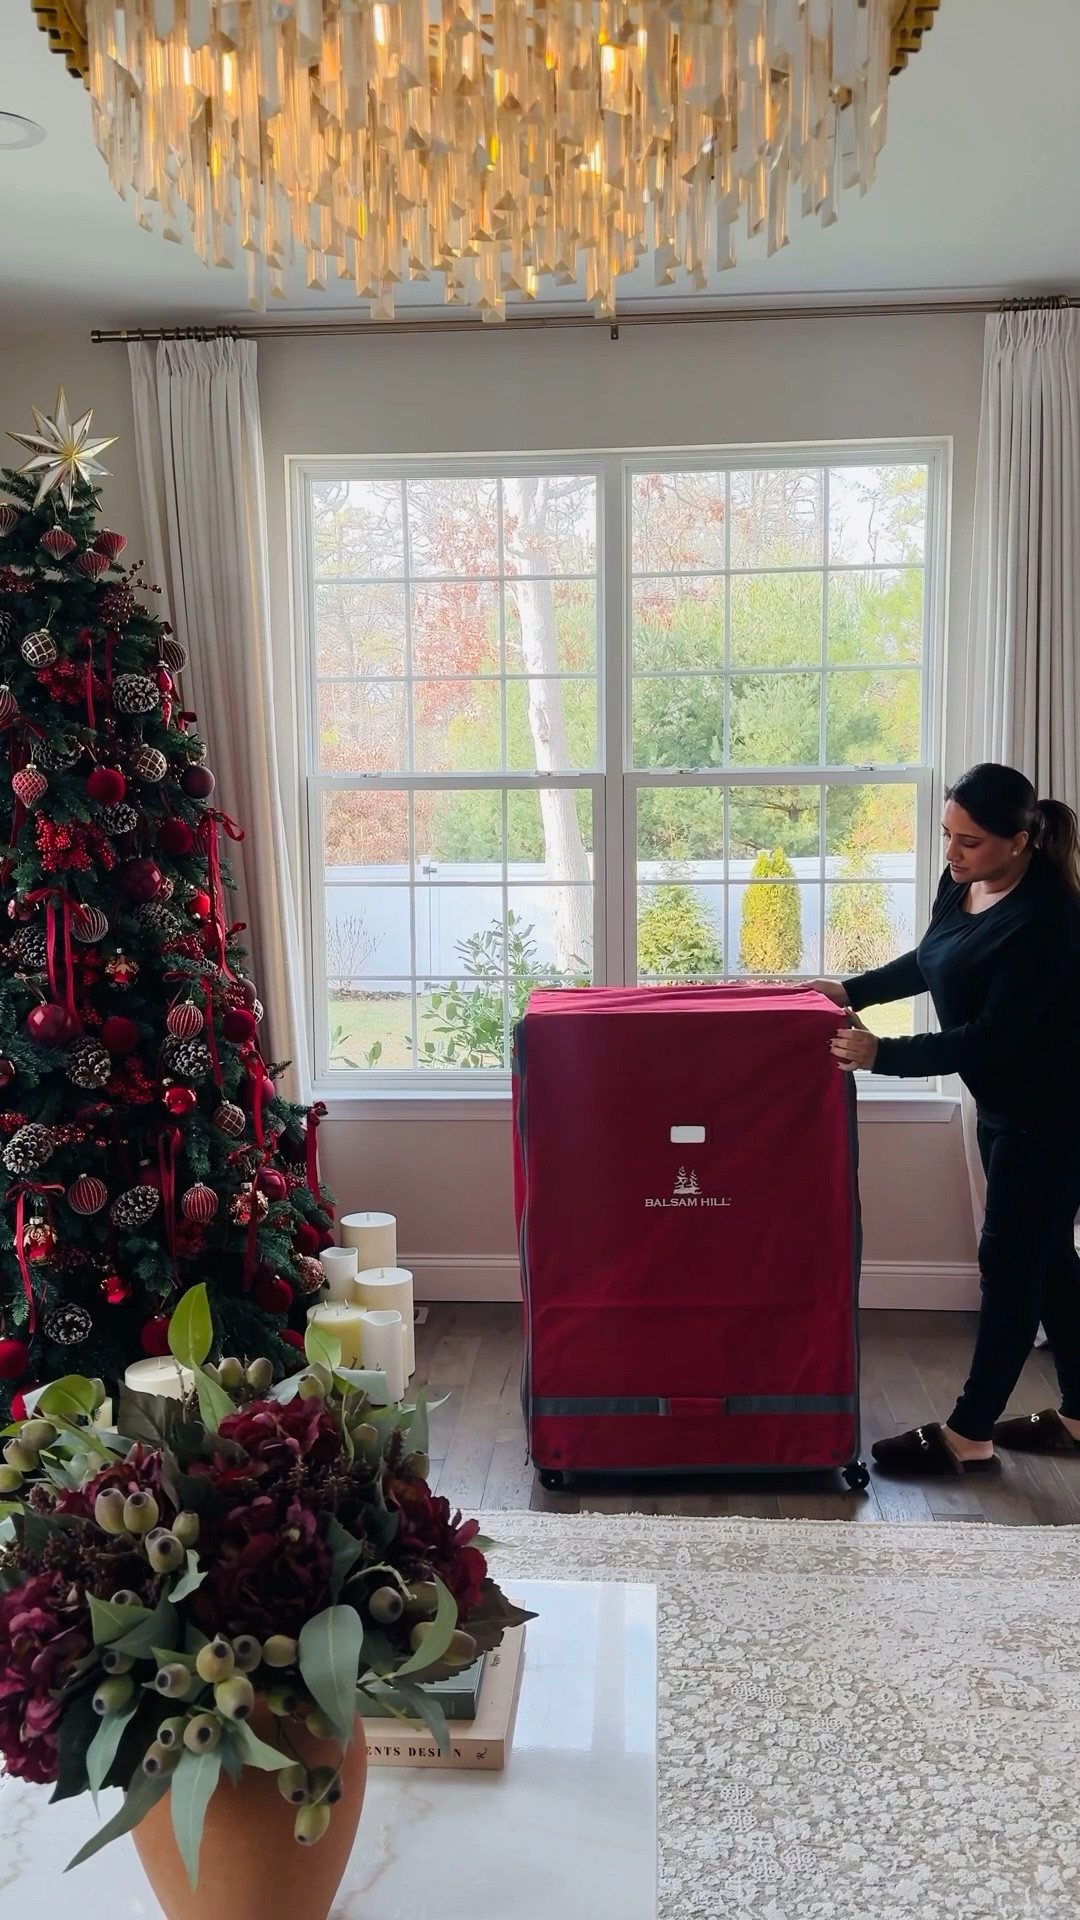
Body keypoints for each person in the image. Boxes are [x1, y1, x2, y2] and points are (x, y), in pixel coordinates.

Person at [818, 763, 1080, 1478]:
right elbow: (936, 960)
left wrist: (881, 1055)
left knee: (1010, 1265)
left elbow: (994, 1035)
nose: (953, 854)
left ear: (1021, 840)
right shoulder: (963, 883)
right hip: (1003, 1106)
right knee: (1048, 1261)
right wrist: (854, 989)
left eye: (970, 842)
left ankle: (969, 1434)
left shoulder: (1050, 920)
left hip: (1055, 1116)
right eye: (947, 836)